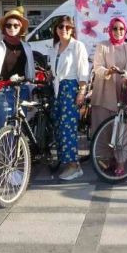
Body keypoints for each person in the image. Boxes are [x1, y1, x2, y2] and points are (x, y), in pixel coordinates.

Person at [91, 17, 127, 176]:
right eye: (115, 28)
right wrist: (108, 71)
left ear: (125, 30)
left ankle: (121, 161)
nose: (118, 31)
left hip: (122, 92)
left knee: (121, 127)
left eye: (121, 28)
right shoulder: (102, 46)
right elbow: (97, 67)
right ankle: (105, 159)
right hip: (104, 92)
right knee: (103, 128)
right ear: (110, 30)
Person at [50, 15, 89, 181]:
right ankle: (67, 163)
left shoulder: (77, 46)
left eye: (68, 27)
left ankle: (74, 166)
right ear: (56, 29)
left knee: (68, 128)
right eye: (61, 27)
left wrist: (82, 91)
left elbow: (83, 71)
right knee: (59, 127)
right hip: (57, 90)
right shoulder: (55, 47)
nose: (64, 29)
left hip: (70, 88)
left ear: (72, 29)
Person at [0, 9, 35, 130]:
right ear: (4, 28)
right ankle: (5, 143)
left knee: (20, 125)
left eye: (16, 25)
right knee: (5, 124)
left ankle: (18, 143)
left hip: (22, 89)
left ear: (20, 28)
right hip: (4, 89)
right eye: (8, 25)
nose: (12, 28)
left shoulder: (26, 47)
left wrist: (31, 90)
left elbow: (30, 70)